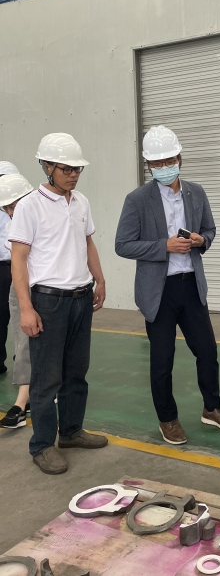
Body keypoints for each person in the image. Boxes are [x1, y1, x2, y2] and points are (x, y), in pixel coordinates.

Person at [115, 125, 220, 446]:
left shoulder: (196, 193)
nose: (164, 167)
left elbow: (210, 230)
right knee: (162, 358)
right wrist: (164, 246)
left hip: (191, 286)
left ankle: (212, 408)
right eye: (157, 163)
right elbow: (123, 245)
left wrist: (201, 240)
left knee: (207, 351)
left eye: (169, 160)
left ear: (180, 158)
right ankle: (167, 418)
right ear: (148, 165)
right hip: (158, 291)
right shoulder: (137, 200)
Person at [9, 133, 107, 475]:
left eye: (77, 169)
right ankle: (42, 445)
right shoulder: (29, 207)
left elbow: (87, 243)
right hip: (48, 301)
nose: (74, 175)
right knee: (47, 378)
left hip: (81, 298)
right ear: (47, 166)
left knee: (76, 372)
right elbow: (19, 260)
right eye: (67, 169)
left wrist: (99, 279)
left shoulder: (80, 202)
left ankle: (71, 432)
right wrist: (26, 308)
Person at [0, 174, 33, 429]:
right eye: (6, 208)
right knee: (23, 342)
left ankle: (32, 397)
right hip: (19, 283)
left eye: (14, 205)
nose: (11, 212)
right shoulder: (13, 224)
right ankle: (23, 402)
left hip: (48, 286)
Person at [0, 160, 19, 375]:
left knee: (22, 317)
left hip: (18, 266)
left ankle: (22, 362)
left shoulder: (23, 207)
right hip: (2, 268)